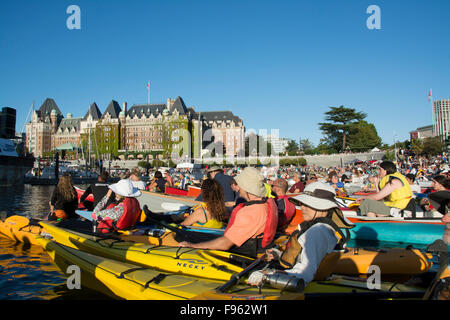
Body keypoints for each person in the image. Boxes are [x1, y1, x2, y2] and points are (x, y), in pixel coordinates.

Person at [247, 182, 353, 289]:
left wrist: (267, 274)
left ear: (322, 207)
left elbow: (304, 272)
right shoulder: (325, 228)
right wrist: (280, 255)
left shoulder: (317, 231)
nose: (301, 207)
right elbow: (312, 257)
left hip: (309, 286)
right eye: (302, 203)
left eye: (307, 204)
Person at [179, 167, 279, 258]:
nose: (238, 188)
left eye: (240, 185)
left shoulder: (249, 212)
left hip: (241, 254)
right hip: (255, 248)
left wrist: (193, 246)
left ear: (246, 188)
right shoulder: (264, 205)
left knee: (183, 238)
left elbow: (225, 244)